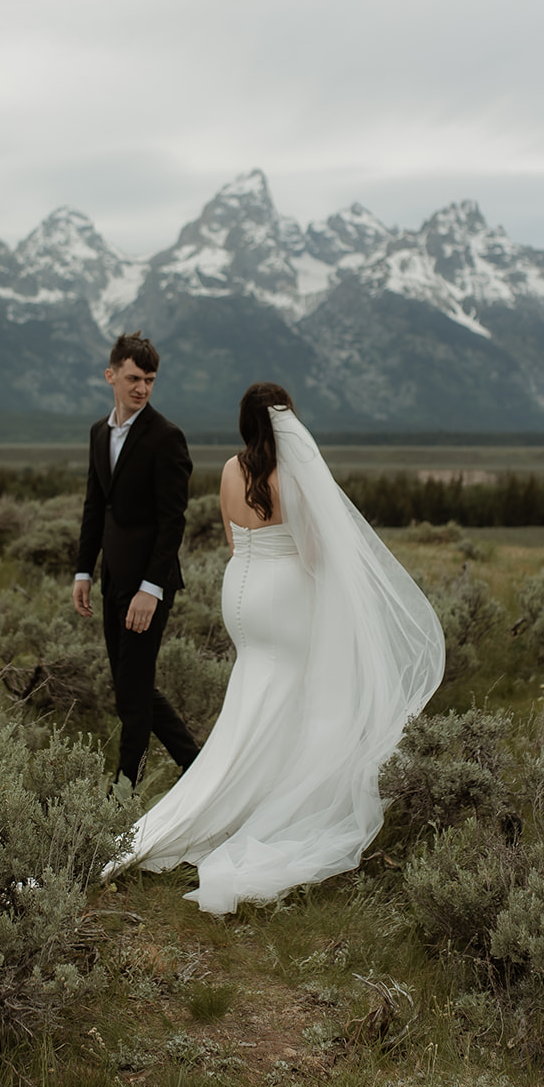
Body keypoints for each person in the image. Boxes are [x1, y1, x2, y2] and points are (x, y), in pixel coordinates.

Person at [109, 382, 446, 914]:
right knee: (289, 694)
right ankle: (269, 802)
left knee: (255, 692)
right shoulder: (292, 476)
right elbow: (313, 552)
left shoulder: (227, 470)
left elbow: (230, 536)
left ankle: (229, 790)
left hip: (239, 591)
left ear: (246, 424)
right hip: (283, 595)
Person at [73, 332, 201, 789]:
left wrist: (152, 588)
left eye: (149, 380)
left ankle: (123, 789)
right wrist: (84, 570)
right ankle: (197, 765)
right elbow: (94, 506)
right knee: (133, 686)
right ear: (111, 376)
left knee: (132, 691)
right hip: (112, 581)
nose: (141, 388)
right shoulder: (98, 433)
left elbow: (173, 521)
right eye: (132, 378)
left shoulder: (167, 438)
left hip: (149, 587)